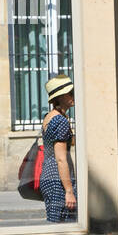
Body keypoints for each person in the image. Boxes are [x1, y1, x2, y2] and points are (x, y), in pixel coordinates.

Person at [40, 75, 77, 223]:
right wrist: (69, 190)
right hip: (59, 180)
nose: (74, 95)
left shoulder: (50, 116)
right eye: (71, 93)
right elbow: (61, 159)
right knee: (64, 227)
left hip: (50, 174)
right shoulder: (60, 120)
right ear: (60, 97)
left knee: (56, 223)